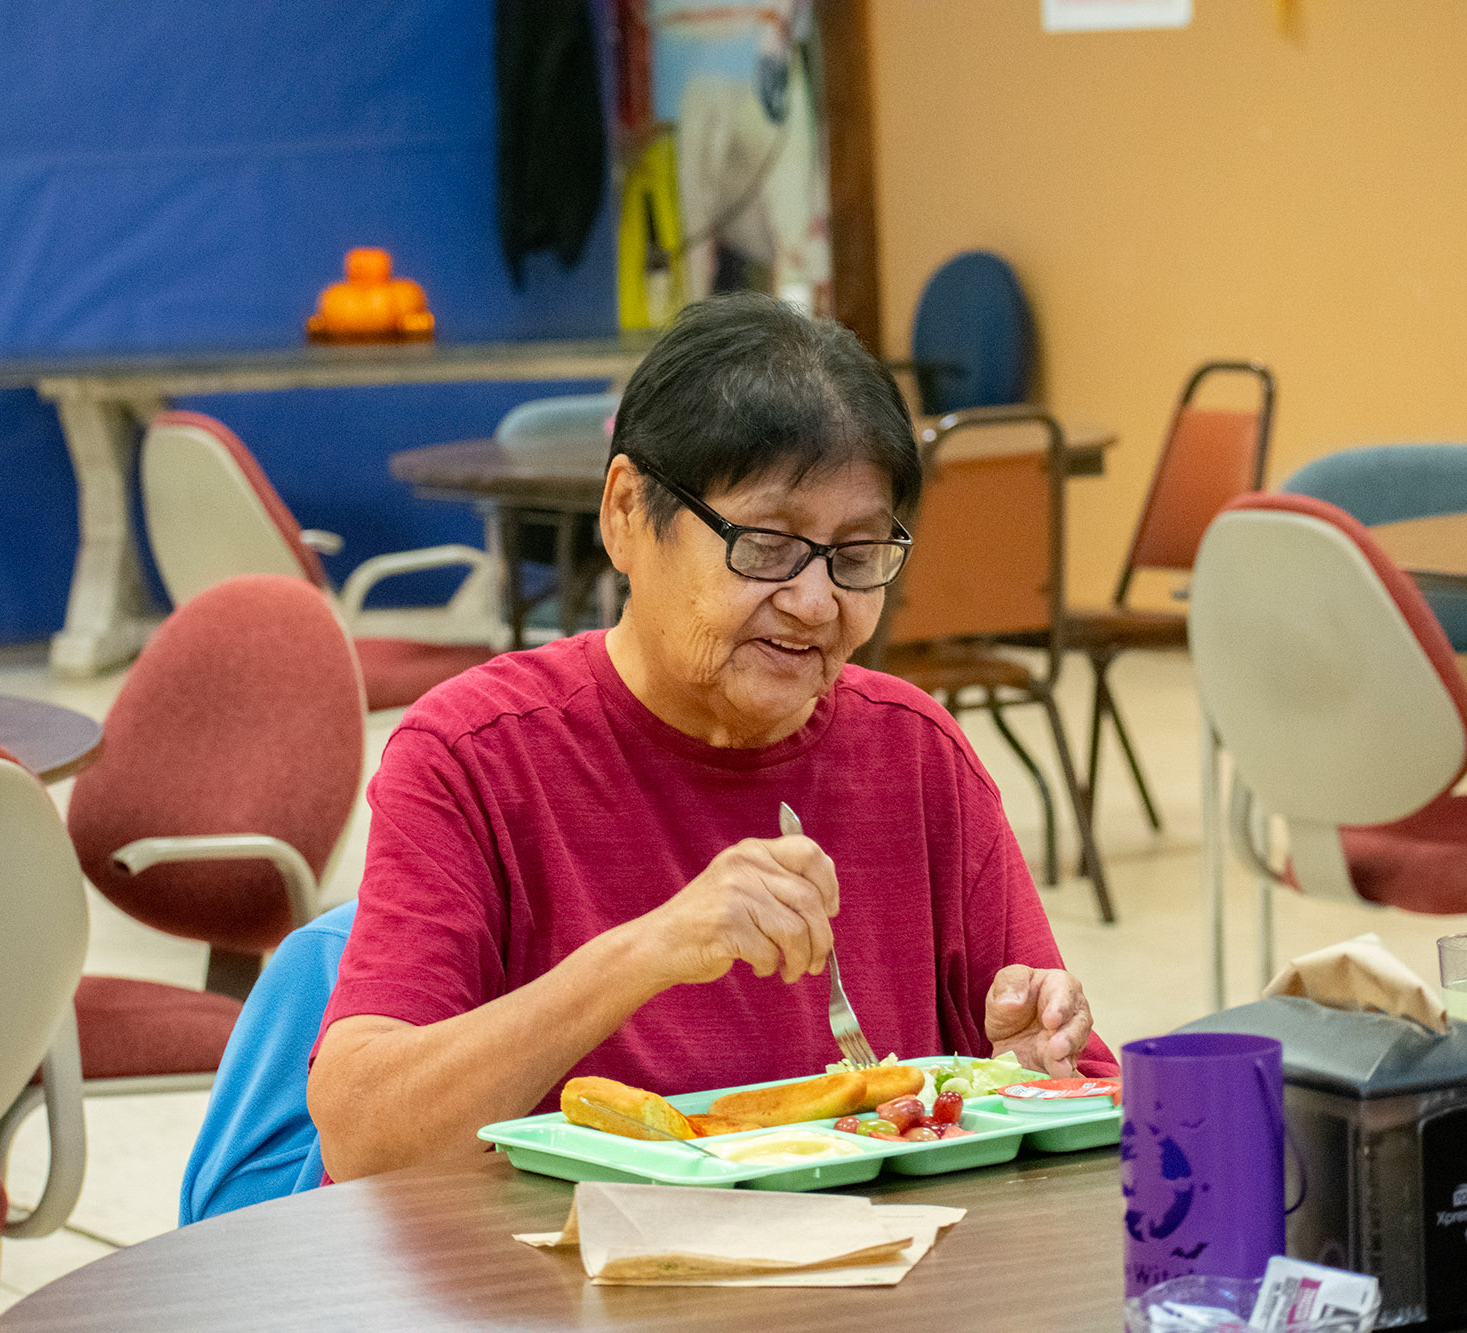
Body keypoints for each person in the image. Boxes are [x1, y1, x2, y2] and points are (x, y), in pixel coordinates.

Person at [308, 292, 1115, 1182]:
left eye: (856, 557)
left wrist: (1027, 1075)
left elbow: (1086, 1108)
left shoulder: (913, 754)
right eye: (766, 545)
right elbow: (362, 1138)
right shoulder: (474, 755)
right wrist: (647, 951)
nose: (816, 603)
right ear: (626, 513)